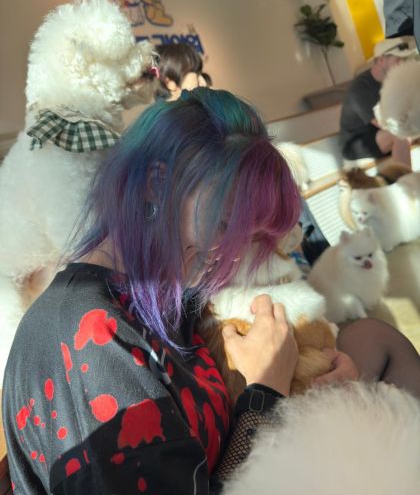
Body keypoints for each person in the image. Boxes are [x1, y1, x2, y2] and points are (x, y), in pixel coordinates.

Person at [3, 89, 420, 495]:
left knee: (370, 337)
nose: (236, 255)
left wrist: (323, 379)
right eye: (224, 226)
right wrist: (266, 392)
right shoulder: (88, 338)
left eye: (250, 237)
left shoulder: (167, 294)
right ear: (156, 184)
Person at [339, 37, 416, 166]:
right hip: (356, 143)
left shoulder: (394, 80)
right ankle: (404, 177)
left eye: (404, 60)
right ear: (381, 60)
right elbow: (385, 124)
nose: (402, 65)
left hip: (380, 134)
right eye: (398, 60)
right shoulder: (360, 89)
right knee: (400, 133)